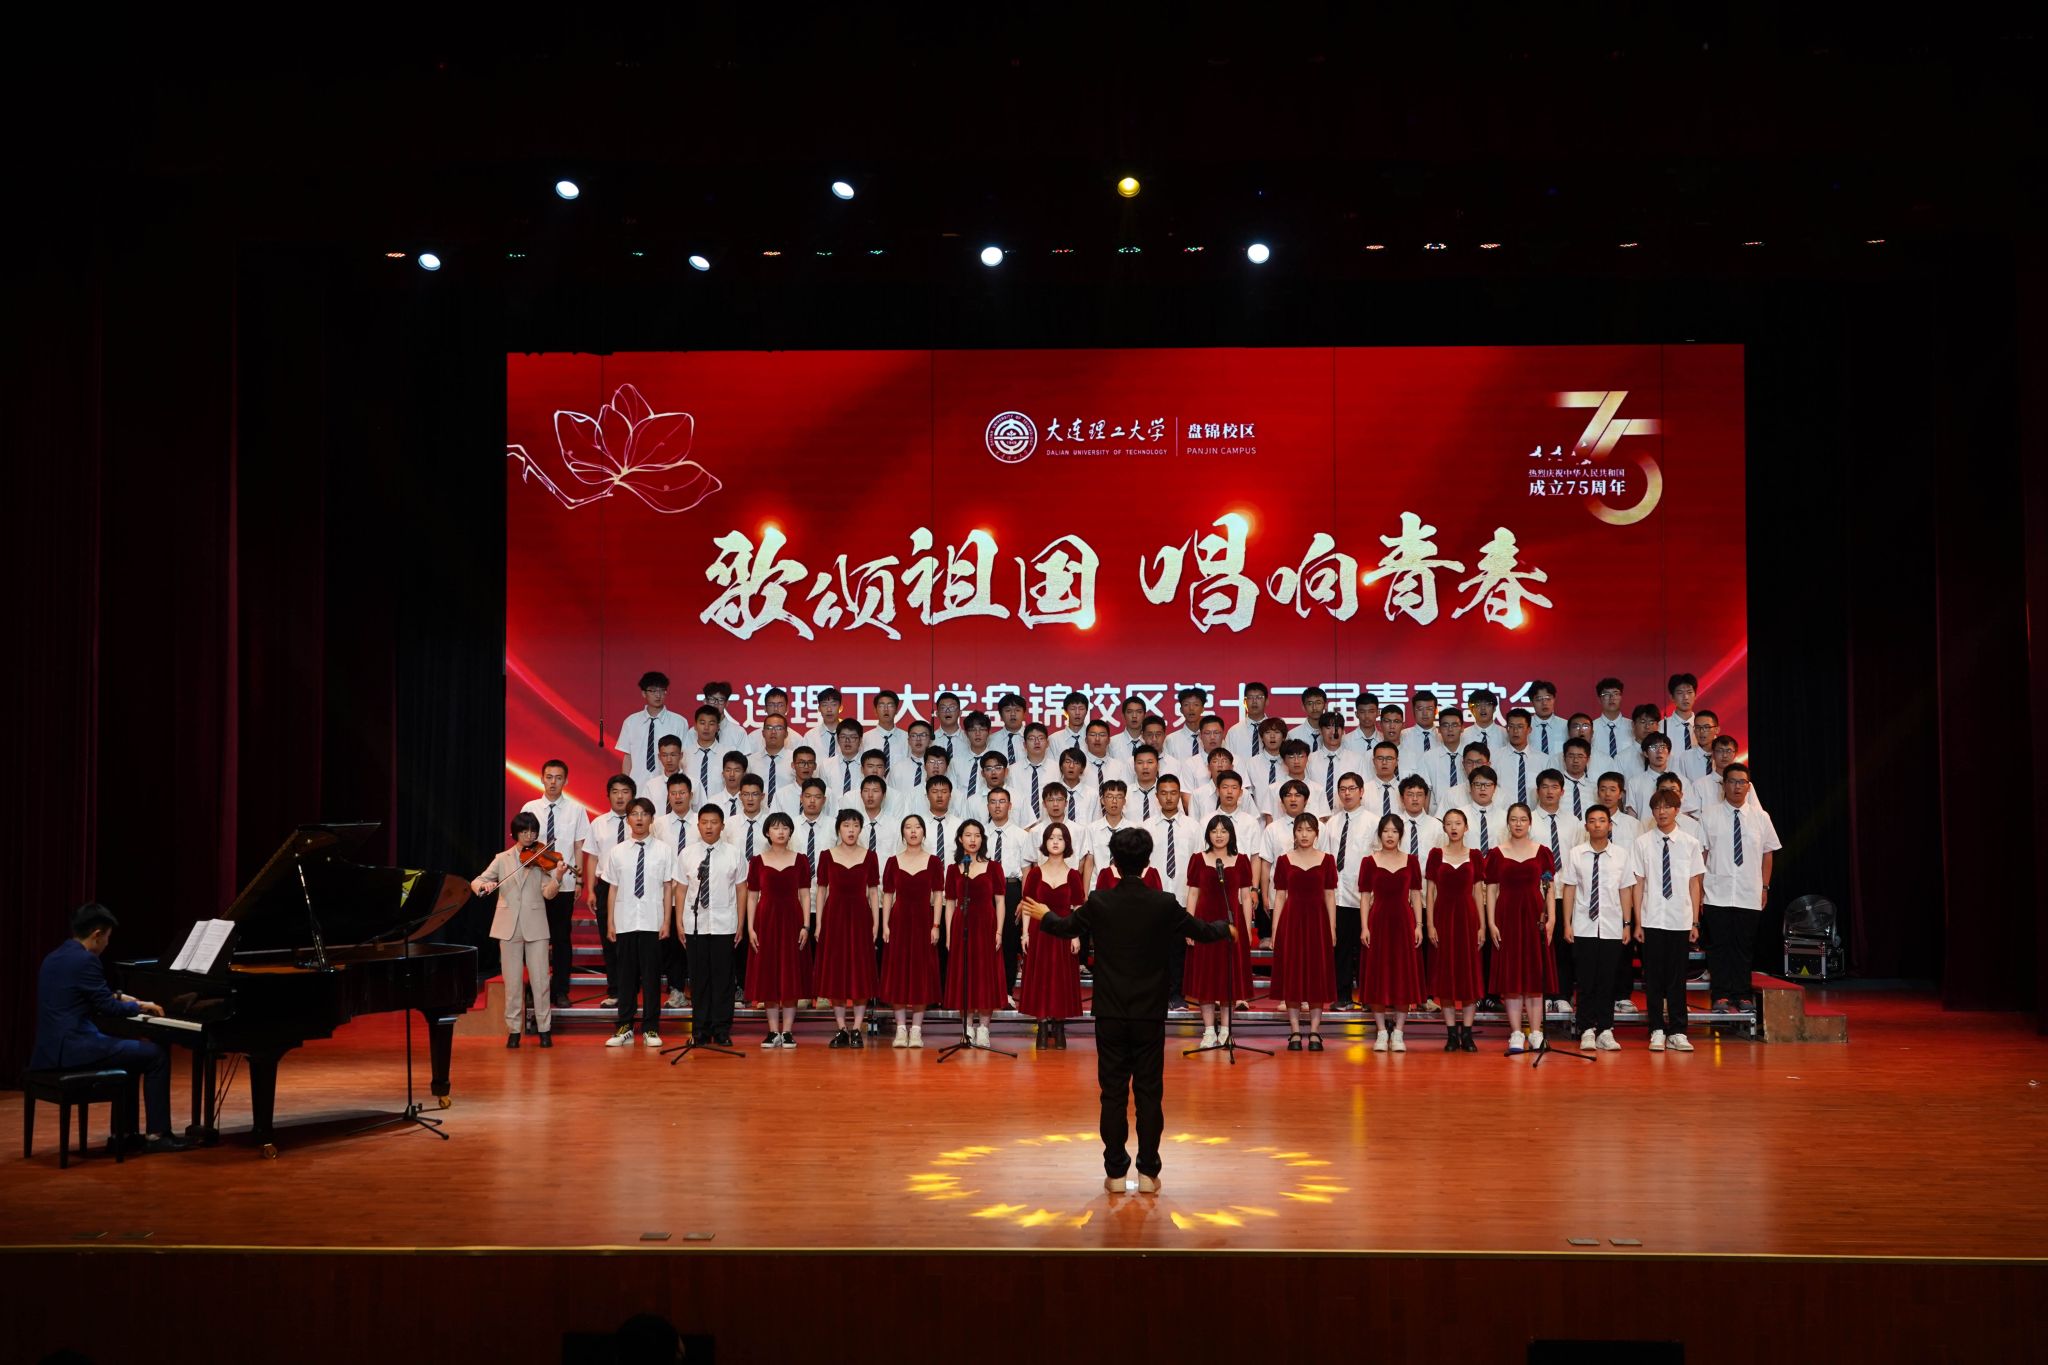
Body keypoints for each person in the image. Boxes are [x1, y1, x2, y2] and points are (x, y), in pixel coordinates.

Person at [1022, 826, 1236, 1193]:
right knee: (1150, 1093)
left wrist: (1044, 914)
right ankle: (1149, 1173)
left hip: (1110, 1010)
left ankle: (1116, 1174)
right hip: (1149, 1012)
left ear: (1115, 863)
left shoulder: (1099, 901)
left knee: (1113, 1093)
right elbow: (1201, 931)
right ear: (1148, 861)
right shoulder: (1164, 902)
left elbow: (1065, 927)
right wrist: (1226, 929)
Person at [32, 903, 190, 1151]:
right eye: (107, 937)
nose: (107, 944)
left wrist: (122, 997)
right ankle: (158, 1135)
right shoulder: (86, 960)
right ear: (97, 934)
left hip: (50, 1050)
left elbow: (88, 994)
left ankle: (124, 1134)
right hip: (76, 1048)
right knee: (156, 1055)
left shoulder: (54, 957)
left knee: (133, 1055)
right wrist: (138, 1007)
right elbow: (107, 1007)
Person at [472, 812, 562, 1048]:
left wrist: (558, 878)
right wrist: (485, 886)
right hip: (508, 926)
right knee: (512, 983)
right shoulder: (502, 859)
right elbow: (477, 881)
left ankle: (544, 1029)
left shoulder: (540, 858)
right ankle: (513, 1030)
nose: (529, 836)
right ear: (515, 834)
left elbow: (548, 894)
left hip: (536, 925)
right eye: (524, 831)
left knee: (541, 981)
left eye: (533, 831)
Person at [1699, 763, 1779, 1013]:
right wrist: (1699, 892)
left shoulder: (1761, 817)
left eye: (1742, 782)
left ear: (1748, 786)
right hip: (1716, 893)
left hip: (1748, 892)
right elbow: (1702, 855)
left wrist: (1764, 887)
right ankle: (1721, 996)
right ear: (1723, 785)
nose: (1737, 786)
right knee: (1718, 948)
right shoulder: (1709, 815)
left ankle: (1742, 995)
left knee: (1744, 947)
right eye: (1732, 781)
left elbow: (1768, 853)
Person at [1558, 805, 1638, 1051]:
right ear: (1586, 826)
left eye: (1602, 820)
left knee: (1607, 980)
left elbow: (1625, 890)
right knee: (1585, 981)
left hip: (1612, 926)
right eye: (1592, 821)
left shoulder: (1621, 855)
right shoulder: (1576, 853)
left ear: (1610, 825)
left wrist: (1627, 923)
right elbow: (1569, 889)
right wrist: (1567, 923)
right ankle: (1586, 1029)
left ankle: (1605, 1029)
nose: (1597, 825)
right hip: (1584, 926)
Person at [1631, 789, 1706, 1052]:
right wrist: (1638, 923)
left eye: (1667, 807)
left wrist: (1694, 922)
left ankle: (1678, 1031)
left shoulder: (1690, 843)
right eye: (1657, 807)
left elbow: (1694, 884)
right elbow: (1638, 884)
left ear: (1677, 810)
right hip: (1651, 918)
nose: (1661, 812)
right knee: (1653, 979)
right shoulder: (1642, 843)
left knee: (1677, 979)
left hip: (1679, 919)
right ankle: (1656, 1029)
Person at [1484, 802, 1557, 1054]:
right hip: (1506, 917)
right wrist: (1491, 922)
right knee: (1512, 978)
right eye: (1513, 819)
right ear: (1508, 823)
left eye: (1523, 819)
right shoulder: (1496, 854)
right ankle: (1516, 1033)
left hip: (1535, 916)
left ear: (1530, 823)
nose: (1518, 824)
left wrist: (1552, 919)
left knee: (1535, 977)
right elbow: (1491, 890)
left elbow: (1549, 888)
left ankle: (1536, 1033)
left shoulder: (1542, 852)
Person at [671, 805, 747, 1047]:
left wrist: (741, 922)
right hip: (695, 925)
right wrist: (679, 922)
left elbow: (741, 889)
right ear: (698, 826)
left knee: (723, 979)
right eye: (704, 822)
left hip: (725, 925)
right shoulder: (687, 854)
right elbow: (681, 889)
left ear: (722, 826)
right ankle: (700, 1029)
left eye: (714, 822)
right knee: (699, 979)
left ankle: (722, 1029)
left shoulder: (734, 854)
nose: (709, 827)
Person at [602, 798, 675, 1048]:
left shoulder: (664, 850)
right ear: (628, 819)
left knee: (652, 978)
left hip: (652, 922)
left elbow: (668, 887)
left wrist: (667, 921)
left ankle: (651, 1027)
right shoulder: (617, 851)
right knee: (625, 977)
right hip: (625, 921)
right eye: (634, 814)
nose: (640, 818)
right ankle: (624, 1026)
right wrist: (610, 923)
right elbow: (612, 888)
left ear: (652, 819)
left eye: (644, 814)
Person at [522, 759, 590, 1010]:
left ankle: (561, 990)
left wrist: (579, 879)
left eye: (558, 778)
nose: (553, 782)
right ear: (541, 778)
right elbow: (523, 845)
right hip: (535, 882)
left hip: (565, 883)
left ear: (566, 781)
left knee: (561, 938)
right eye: (549, 777)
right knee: (535, 938)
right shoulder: (530, 808)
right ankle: (535, 989)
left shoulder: (576, 809)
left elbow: (579, 846)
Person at [1182, 814, 1255, 1047]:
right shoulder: (1198, 859)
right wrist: (1189, 927)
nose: (1219, 835)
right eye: (1214, 831)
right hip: (1203, 925)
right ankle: (1208, 1031)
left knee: (1227, 979)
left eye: (1224, 831)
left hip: (1230, 926)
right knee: (1205, 978)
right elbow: (1193, 893)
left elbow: (1245, 897)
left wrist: (1246, 930)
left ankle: (1225, 1029)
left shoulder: (1241, 860)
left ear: (1231, 834)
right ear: (1208, 835)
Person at [1268, 812, 1337, 1051]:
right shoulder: (1284, 860)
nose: (1304, 834)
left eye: (1309, 830)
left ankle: (1315, 1031)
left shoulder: (1327, 860)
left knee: (1317, 975)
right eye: (1300, 830)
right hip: (1291, 922)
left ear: (1317, 833)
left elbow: (1330, 895)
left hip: (1318, 922)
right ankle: (1295, 1031)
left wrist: (1332, 927)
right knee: (1292, 975)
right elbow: (1279, 897)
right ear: (1294, 833)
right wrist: (1275, 929)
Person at [744, 812, 811, 1049]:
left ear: (790, 832)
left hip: (792, 920)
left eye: (785, 827)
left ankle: (788, 1031)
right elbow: (752, 897)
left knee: (791, 974)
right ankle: (773, 1032)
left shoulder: (801, 860)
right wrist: (750, 927)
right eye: (775, 828)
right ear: (767, 832)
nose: (780, 832)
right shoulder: (757, 861)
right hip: (766, 921)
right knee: (769, 975)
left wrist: (806, 925)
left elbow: (805, 894)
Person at [1358, 813, 1425, 1051]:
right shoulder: (1369, 861)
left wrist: (1418, 925)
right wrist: (1364, 926)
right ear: (1379, 834)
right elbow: (1365, 896)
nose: (1390, 835)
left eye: (1394, 831)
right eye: (1386, 831)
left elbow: (1416, 894)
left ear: (1400, 835)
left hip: (1404, 922)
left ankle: (1398, 1033)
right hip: (1378, 922)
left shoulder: (1411, 861)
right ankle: (1380, 1032)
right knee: (1378, 976)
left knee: (1402, 976)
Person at [815, 809, 881, 1047]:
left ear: (861, 829)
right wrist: (819, 923)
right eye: (846, 825)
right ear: (838, 829)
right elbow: (821, 890)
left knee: (860, 973)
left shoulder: (870, 856)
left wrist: (876, 923)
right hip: (834, 918)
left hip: (861, 918)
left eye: (855, 825)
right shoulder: (826, 856)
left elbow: (873, 892)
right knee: (837, 973)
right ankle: (841, 1028)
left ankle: (856, 1029)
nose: (851, 830)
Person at [1017, 822, 1085, 1048]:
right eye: (1051, 838)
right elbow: (1028, 905)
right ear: (1045, 843)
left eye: (1060, 838)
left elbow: (1078, 909)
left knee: (1061, 979)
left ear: (1067, 844)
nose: (1055, 842)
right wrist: (1025, 934)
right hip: (1039, 933)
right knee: (1041, 978)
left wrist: (1075, 935)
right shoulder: (1035, 873)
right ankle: (1042, 1026)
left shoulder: (1073, 875)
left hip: (1064, 932)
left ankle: (1059, 1025)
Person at [942, 819, 1008, 1046]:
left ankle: (984, 1029)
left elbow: (1000, 902)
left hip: (986, 925)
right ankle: (967, 1027)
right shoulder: (953, 869)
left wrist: (999, 931)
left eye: (977, 835)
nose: (973, 839)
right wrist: (949, 935)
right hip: (962, 925)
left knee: (985, 976)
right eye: (968, 835)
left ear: (983, 839)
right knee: (965, 976)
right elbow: (950, 904)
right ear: (960, 839)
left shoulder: (994, 867)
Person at [879, 814, 943, 1048]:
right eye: (908, 827)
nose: (913, 831)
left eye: (917, 827)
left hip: (924, 921)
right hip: (899, 921)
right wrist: (885, 924)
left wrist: (936, 925)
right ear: (902, 833)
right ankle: (900, 1029)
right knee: (898, 973)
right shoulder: (893, 861)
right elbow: (887, 895)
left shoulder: (934, 862)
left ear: (924, 832)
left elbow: (938, 895)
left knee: (921, 973)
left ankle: (916, 1030)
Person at [1425, 809, 1485, 1052]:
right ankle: (1451, 1034)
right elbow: (1430, 892)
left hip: (1468, 919)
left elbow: (1478, 892)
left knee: (1468, 976)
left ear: (1466, 827)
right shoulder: (1436, 854)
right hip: (1443, 917)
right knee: (1446, 976)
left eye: (1458, 823)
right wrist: (1430, 924)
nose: (1453, 827)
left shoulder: (1475, 855)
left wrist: (1482, 926)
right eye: (1449, 823)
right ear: (1444, 828)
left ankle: (1467, 1034)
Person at [582, 774, 638, 1009]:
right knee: (610, 940)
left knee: (633, 940)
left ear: (632, 795)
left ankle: (634, 989)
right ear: (608, 796)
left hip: (635, 886)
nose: (620, 796)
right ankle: (615, 991)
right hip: (605, 885)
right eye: (615, 792)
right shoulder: (599, 823)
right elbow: (592, 858)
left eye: (625, 792)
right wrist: (590, 890)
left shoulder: (641, 821)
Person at [615, 671, 691, 779]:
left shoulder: (679, 722)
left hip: (669, 784)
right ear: (643, 693)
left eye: (661, 690)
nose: (658, 695)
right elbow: (628, 757)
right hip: (637, 783)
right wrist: (625, 784)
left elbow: (684, 757)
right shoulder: (631, 722)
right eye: (653, 690)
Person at [1592, 677, 1631, 768]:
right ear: (1599, 699)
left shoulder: (1632, 727)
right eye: (1606, 694)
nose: (1611, 698)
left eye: (1616, 693)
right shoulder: (1592, 728)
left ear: (1621, 697)